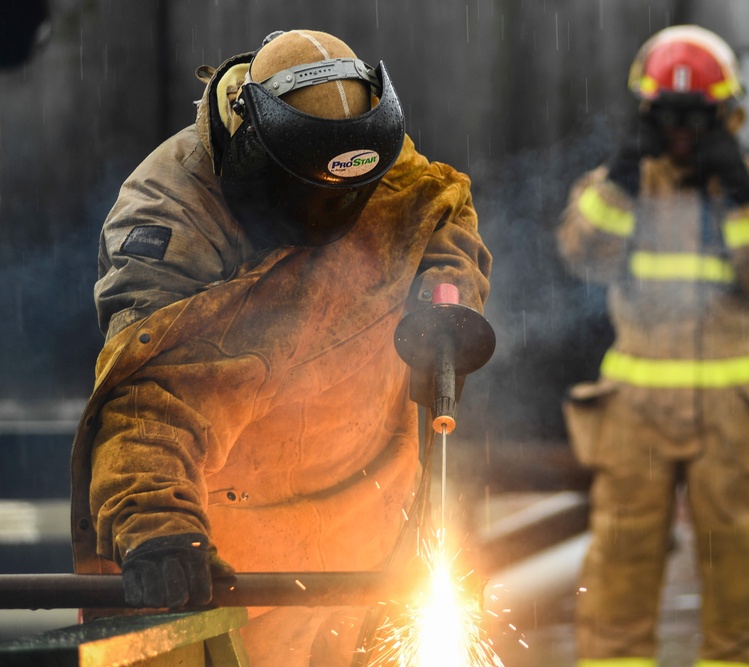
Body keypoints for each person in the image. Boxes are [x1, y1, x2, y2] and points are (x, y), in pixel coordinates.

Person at [68, 29, 491, 666]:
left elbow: (442, 209)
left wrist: (445, 292)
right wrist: (156, 521)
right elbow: (153, 397)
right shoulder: (167, 214)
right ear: (252, 149)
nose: (338, 209)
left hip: (368, 518)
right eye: (313, 190)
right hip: (228, 533)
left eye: (352, 190)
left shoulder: (373, 155)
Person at [557, 25, 749, 667]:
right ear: (647, 114)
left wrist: (743, 195)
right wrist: (620, 179)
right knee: (619, 576)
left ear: (728, 115)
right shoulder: (617, 187)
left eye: (699, 118)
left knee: (740, 581)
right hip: (633, 415)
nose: (684, 133)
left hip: (732, 417)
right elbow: (583, 255)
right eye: (672, 117)